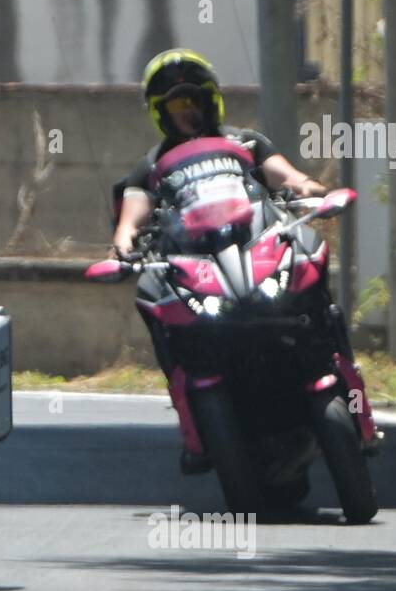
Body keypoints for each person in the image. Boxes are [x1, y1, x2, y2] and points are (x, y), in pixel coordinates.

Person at [109, 49, 336, 473]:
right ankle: (193, 426)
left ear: (211, 100)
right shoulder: (152, 165)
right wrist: (123, 244)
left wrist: (312, 189)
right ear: (161, 112)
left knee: (312, 259)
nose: (188, 111)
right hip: (195, 268)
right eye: (177, 104)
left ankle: (341, 373)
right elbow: (132, 214)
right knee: (150, 299)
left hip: (257, 250)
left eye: (194, 99)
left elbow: (285, 176)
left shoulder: (245, 142)